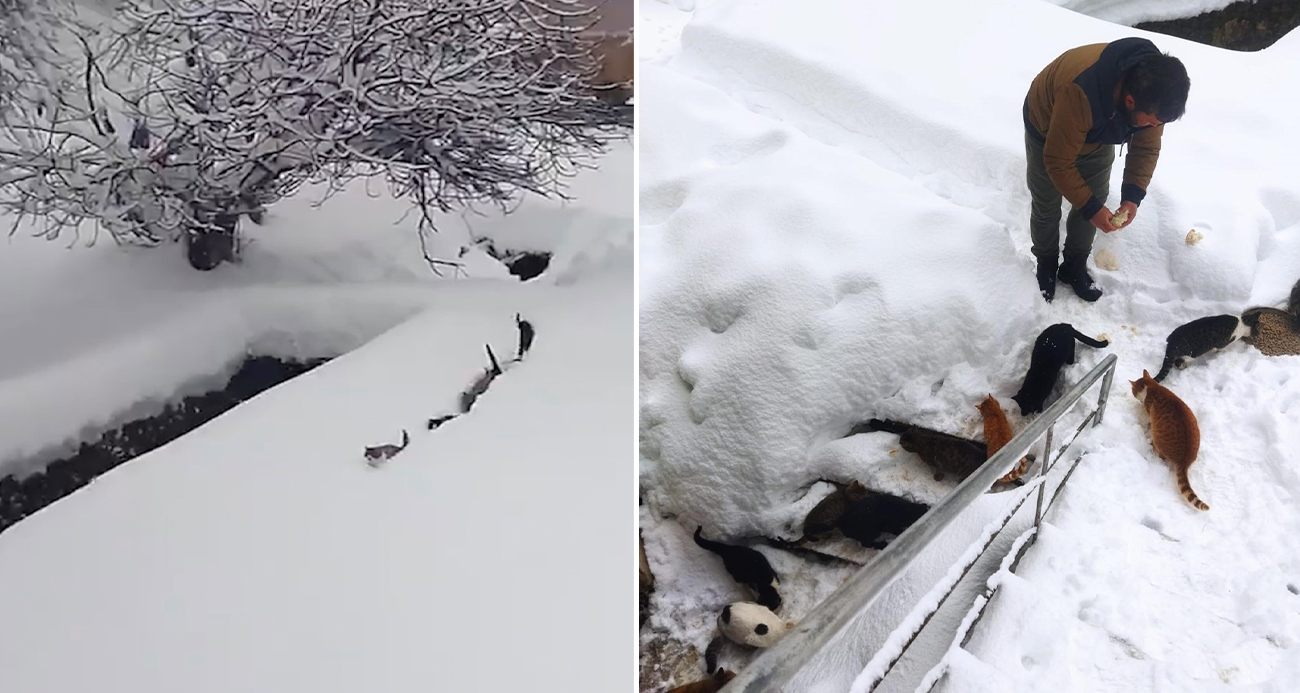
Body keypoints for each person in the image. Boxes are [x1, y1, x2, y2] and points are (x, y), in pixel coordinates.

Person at [1023, 37, 1190, 302]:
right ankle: (1046, 264)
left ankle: (1074, 265)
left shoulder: (1157, 92)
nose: (1155, 126)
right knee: (1047, 203)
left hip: (1098, 132)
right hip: (1048, 128)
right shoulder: (1081, 89)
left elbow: (1146, 148)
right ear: (1130, 101)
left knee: (1094, 198)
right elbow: (1057, 161)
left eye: (1160, 123)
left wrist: (1132, 197)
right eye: (1152, 122)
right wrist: (1090, 208)